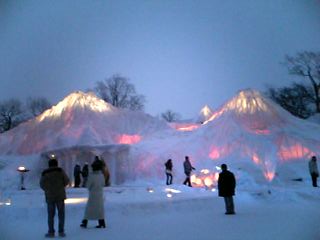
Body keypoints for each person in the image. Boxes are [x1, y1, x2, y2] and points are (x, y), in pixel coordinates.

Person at [40, 158, 70, 238]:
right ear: (56, 164)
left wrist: (48, 189)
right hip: (60, 195)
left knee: (50, 215)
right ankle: (61, 232)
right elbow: (67, 181)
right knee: (61, 214)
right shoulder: (60, 171)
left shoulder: (45, 173)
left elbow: (42, 184)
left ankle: (51, 232)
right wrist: (61, 186)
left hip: (50, 196)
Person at [80, 158, 106, 229]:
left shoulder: (91, 176)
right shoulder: (101, 175)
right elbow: (103, 184)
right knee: (100, 209)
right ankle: (102, 222)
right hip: (99, 194)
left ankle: (85, 222)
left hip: (92, 195)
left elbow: (88, 186)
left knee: (89, 209)